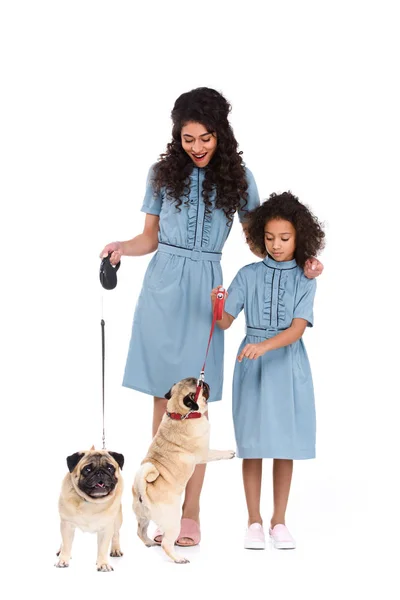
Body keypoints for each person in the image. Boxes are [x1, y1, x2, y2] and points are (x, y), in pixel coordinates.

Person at [100, 88, 324, 546]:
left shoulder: (240, 178)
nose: (197, 147)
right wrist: (122, 247)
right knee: (164, 404)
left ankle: (192, 512)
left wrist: (301, 261)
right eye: (187, 138)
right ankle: (163, 502)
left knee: (194, 406)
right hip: (163, 289)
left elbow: (261, 240)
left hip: (207, 292)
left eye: (205, 138)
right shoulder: (160, 175)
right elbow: (149, 237)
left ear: (220, 134)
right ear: (176, 136)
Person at [211, 192, 325, 550]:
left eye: (285, 239)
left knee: (283, 446)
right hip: (252, 369)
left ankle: (279, 521)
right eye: (270, 238)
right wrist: (218, 305)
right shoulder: (247, 275)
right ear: (260, 235)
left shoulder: (305, 278)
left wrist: (264, 345)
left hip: (287, 367)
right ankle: (254, 521)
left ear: (300, 237)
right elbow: (227, 322)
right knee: (253, 446)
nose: (276, 245)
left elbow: (296, 328)